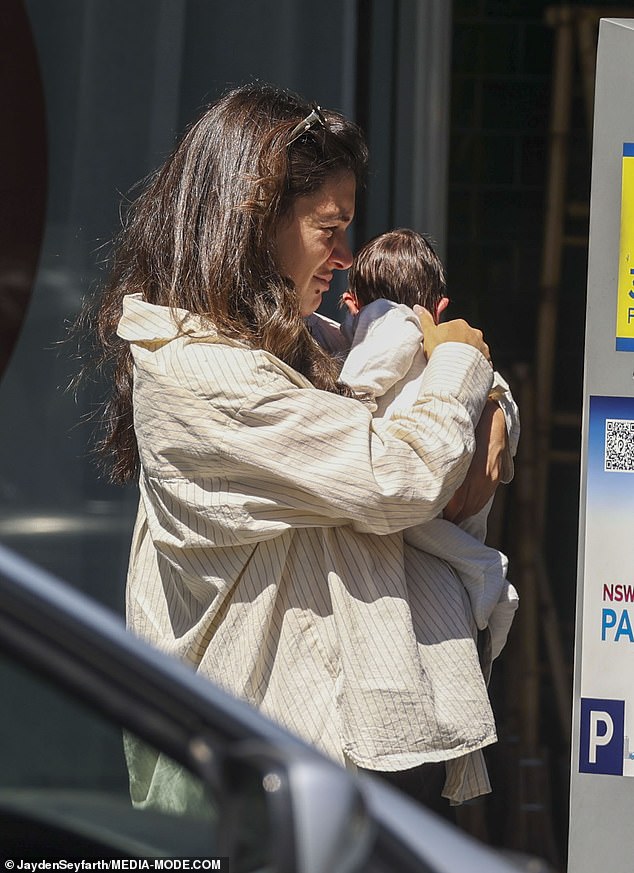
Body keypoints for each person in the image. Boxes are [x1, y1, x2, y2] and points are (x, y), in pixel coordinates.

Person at [85, 82, 514, 812]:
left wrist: (493, 403)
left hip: (310, 774)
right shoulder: (202, 373)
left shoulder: (294, 338)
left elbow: (413, 398)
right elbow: (398, 472)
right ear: (253, 222)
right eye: (329, 228)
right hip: (245, 793)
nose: (346, 257)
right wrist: (465, 365)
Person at [337, 228, 520, 674]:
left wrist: (342, 397)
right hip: (453, 544)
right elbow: (503, 420)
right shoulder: (467, 363)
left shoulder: (389, 322)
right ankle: (485, 596)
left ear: (351, 304)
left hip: (404, 524)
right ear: (441, 309)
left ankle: (485, 588)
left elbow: (357, 386)